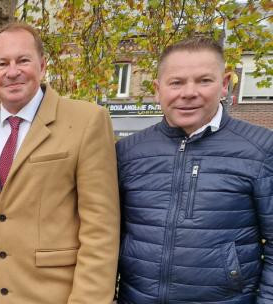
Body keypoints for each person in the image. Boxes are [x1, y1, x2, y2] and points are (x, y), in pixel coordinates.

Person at [0, 22, 120, 303]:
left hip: (55, 295)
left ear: (43, 65)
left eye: (23, 60)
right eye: (2, 63)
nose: (12, 72)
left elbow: (100, 228)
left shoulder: (87, 121)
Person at [116, 37, 273, 303]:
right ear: (157, 89)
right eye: (176, 82)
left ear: (224, 85)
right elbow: (107, 236)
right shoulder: (128, 152)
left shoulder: (261, 149)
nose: (188, 92)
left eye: (203, 80)